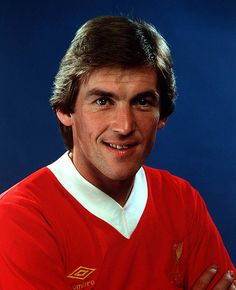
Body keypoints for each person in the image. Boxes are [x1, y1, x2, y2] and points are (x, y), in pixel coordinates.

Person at [0, 15, 235, 290]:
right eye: (103, 101)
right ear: (65, 111)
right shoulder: (18, 218)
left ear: (163, 116)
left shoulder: (182, 201)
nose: (124, 126)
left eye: (143, 102)